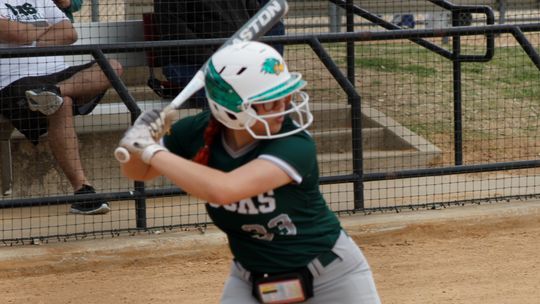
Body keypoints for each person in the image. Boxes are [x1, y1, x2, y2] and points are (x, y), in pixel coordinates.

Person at [118, 41, 381, 303]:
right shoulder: (198, 132)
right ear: (233, 108)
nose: (283, 109)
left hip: (331, 278)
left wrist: (150, 150)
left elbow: (224, 190)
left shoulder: (294, 143)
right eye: (270, 103)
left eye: (286, 98)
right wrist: (133, 144)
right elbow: (139, 172)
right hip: (251, 281)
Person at [0, 0, 123, 214]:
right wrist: (46, 29)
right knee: (61, 104)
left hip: (58, 75)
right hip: (14, 81)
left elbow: (69, 34)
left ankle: (55, 91)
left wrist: (30, 35)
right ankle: (83, 190)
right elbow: (15, 34)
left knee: (112, 67)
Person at [152, 0, 261, 107]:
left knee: (266, 95)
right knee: (227, 103)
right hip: (189, 63)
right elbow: (175, 33)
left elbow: (259, 16)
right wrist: (218, 60)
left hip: (240, 58)